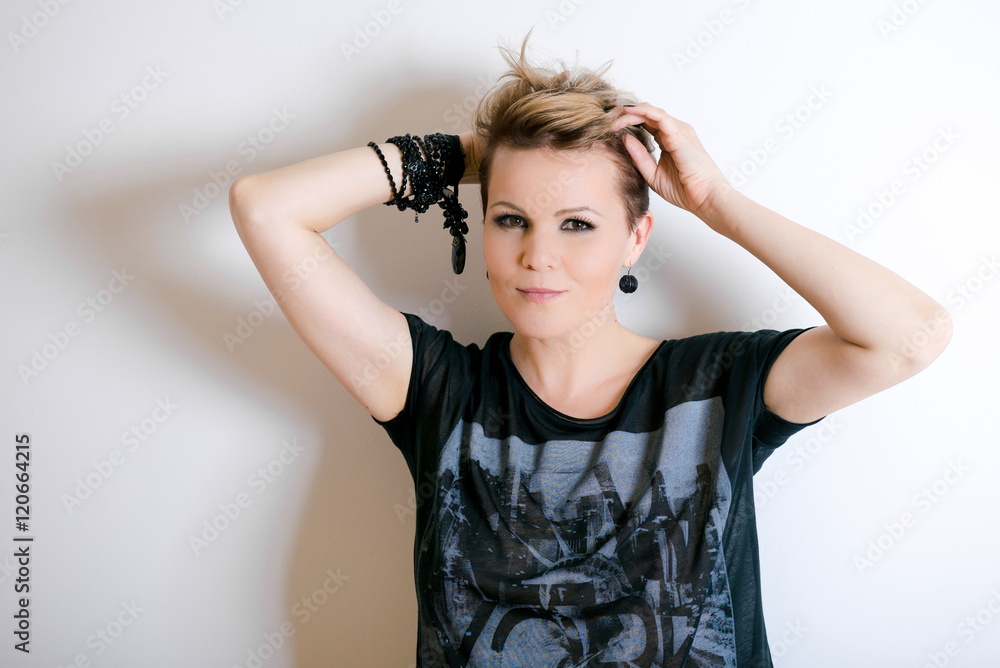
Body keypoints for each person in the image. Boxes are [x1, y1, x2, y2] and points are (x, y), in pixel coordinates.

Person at [229, 34, 951, 668]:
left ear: (636, 236)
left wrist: (717, 199)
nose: (538, 256)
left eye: (577, 223)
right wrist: (479, 156)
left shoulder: (716, 386)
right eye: (512, 219)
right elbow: (264, 207)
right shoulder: (437, 391)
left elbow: (909, 336)